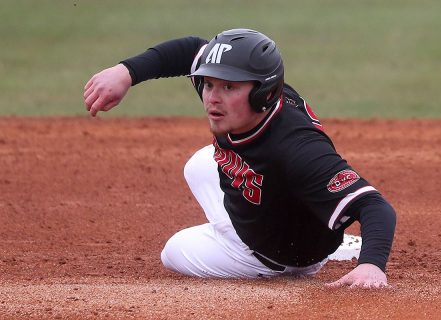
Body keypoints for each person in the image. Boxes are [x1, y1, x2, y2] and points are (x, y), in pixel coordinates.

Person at [83, 28, 396, 288]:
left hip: (279, 255)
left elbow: (374, 206)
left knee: (174, 251)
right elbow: (191, 50)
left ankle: (305, 259)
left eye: (228, 86)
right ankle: (332, 243)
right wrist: (126, 72)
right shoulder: (241, 102)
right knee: (198, 165)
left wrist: (372, 264)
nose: (212, 97)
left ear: (265, 93)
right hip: (282, 206)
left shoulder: (297, 148)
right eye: (209, 84)